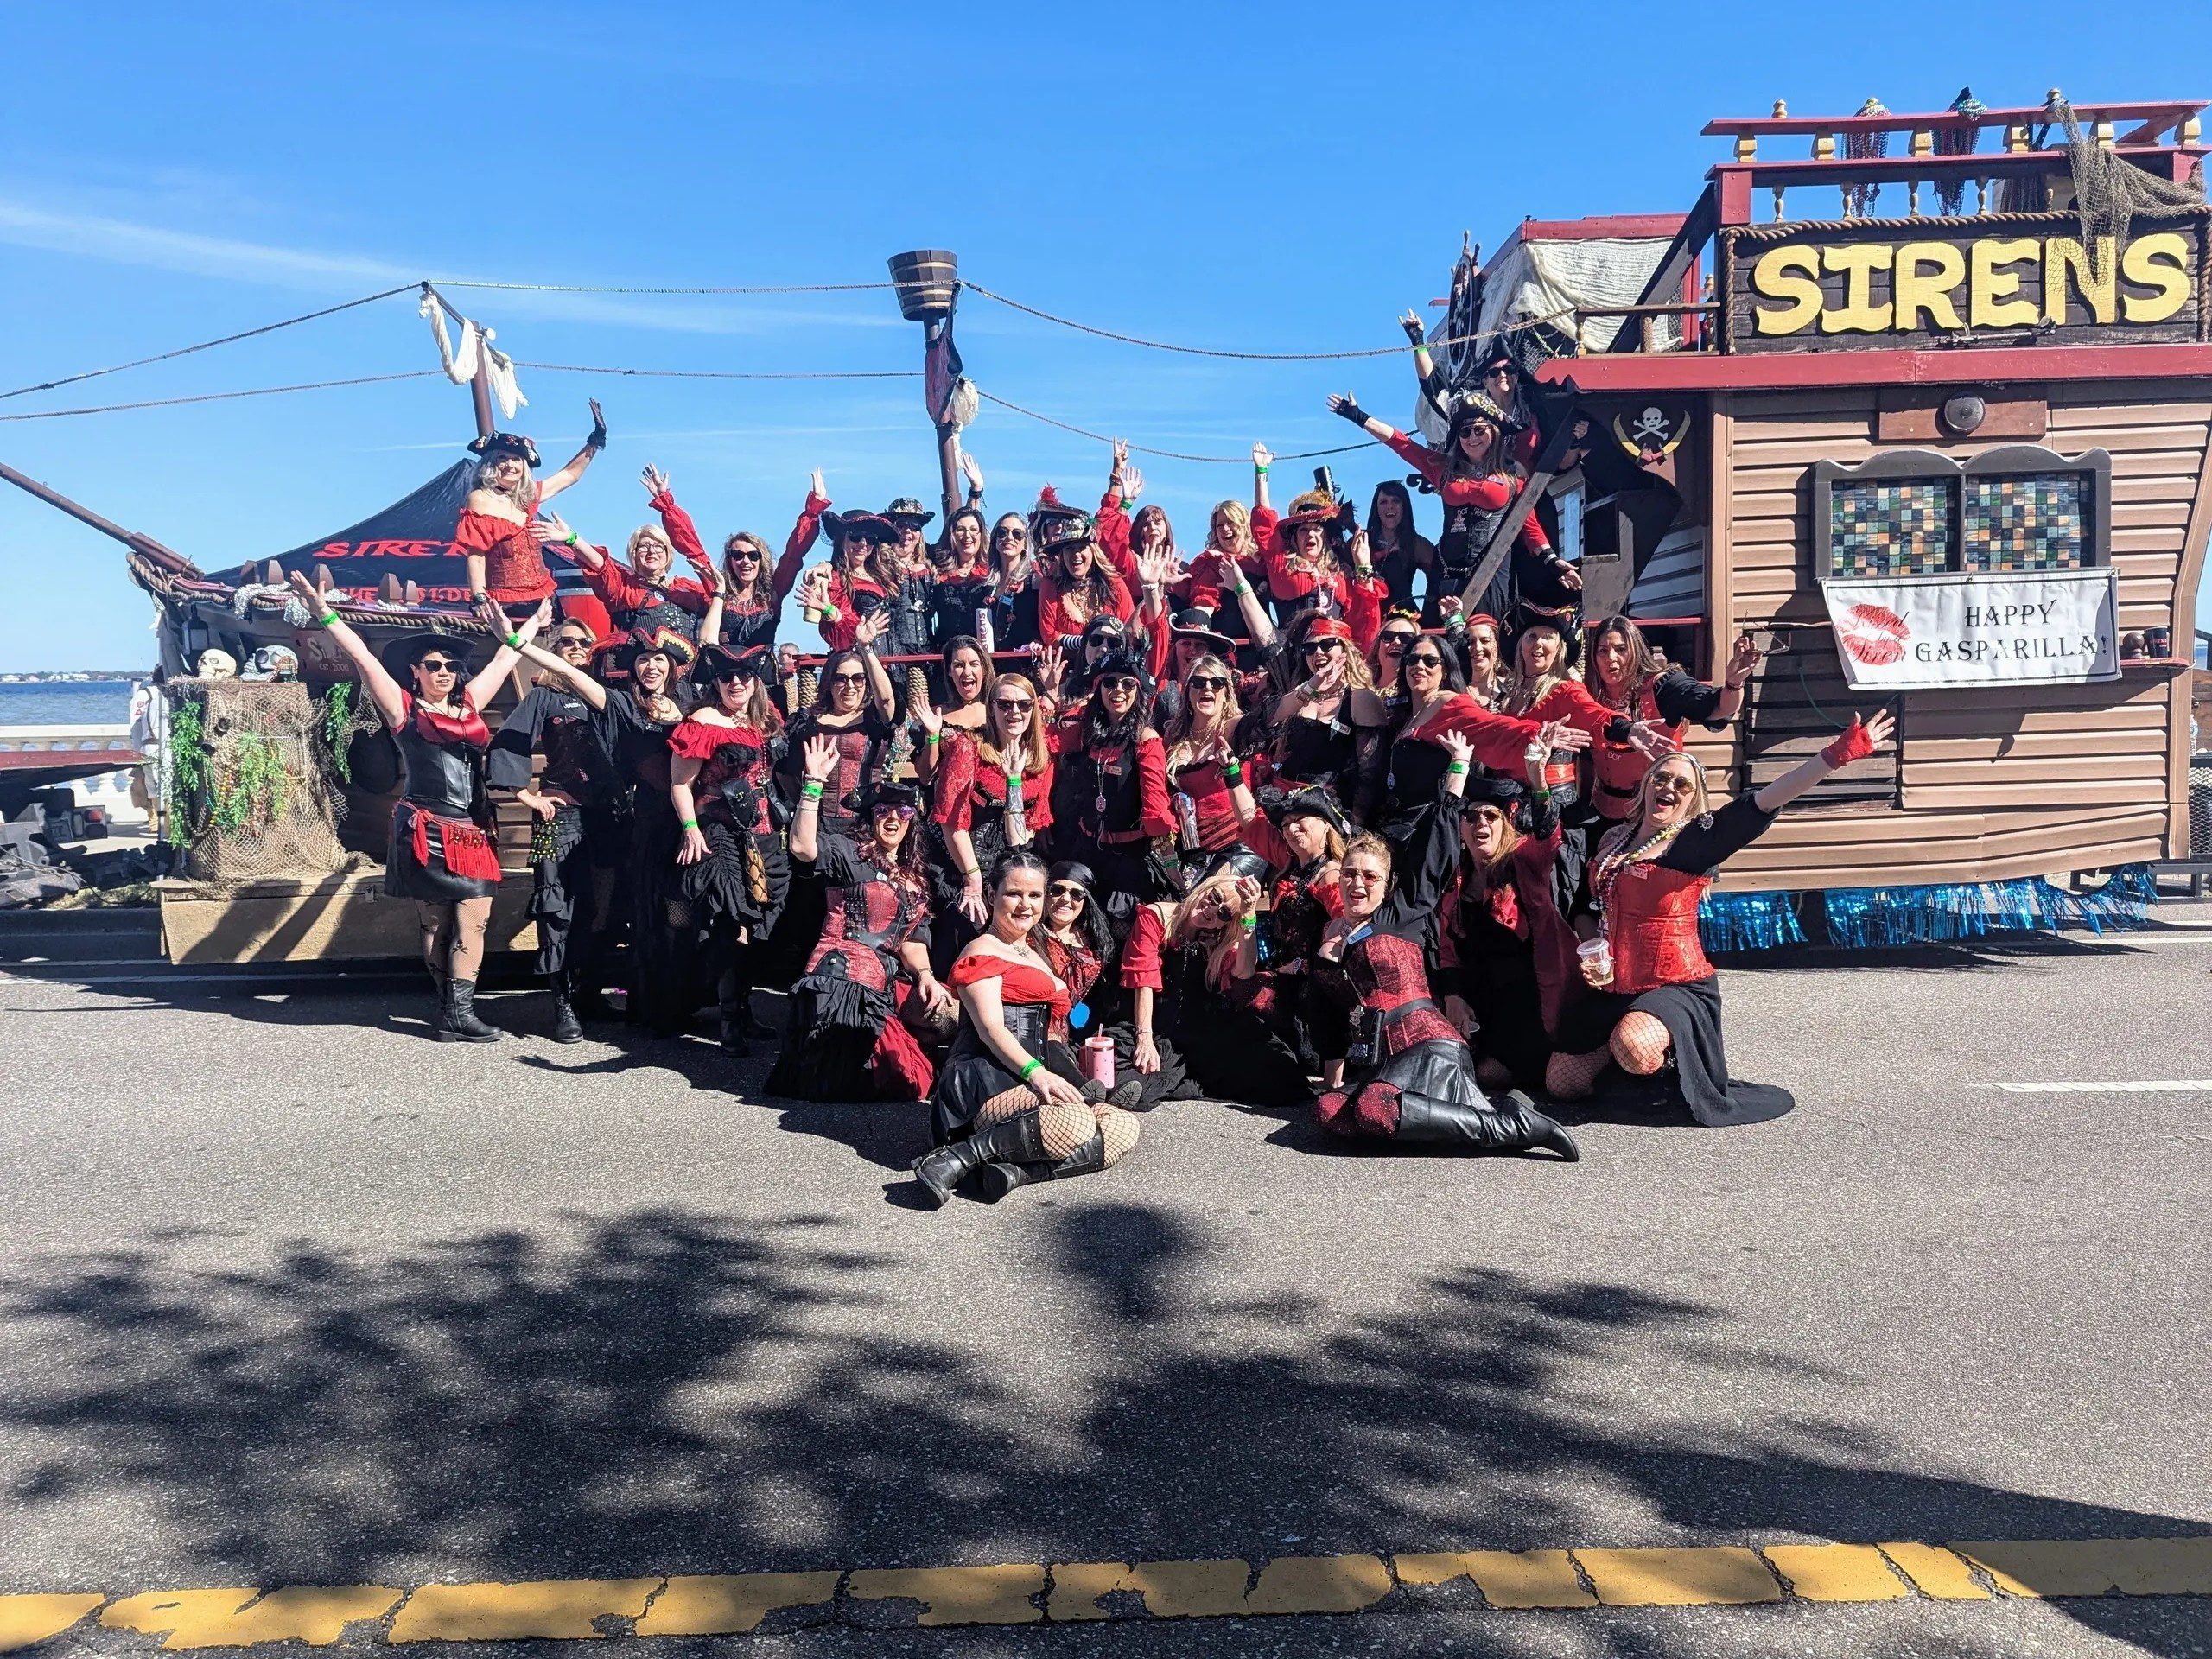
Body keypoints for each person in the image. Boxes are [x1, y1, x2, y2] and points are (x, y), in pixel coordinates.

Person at [1546, 711, 1894, 1126]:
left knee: (1635, 1047)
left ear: (1693, 799)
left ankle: (1668, 1069)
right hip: (1612, 985)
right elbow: (1586, 906)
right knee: (1562, 1085)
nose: (1668, 788)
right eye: (1661, 778)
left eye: (1682, 785)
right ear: (1646, 784)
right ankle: (1625, 1064)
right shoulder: (1613, 839)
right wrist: (1592, 946)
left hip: (1674, 985)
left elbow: (1765, 800)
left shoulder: (1695, 842)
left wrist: (1835, 756)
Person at [288, 571, 545, 1040]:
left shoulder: (470, 704)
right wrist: (323, 612)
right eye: (433, 664)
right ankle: (448, 1008)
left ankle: (460, 1011)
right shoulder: (403, 708)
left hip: (472, 828)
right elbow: (364, 659)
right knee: (436, 923)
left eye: (450, 665)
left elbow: (506, 656)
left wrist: (533, 624)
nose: (443, 671)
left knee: (475, 918)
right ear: (416, 671)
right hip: (426, 829)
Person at [1311, 733, 1580, 1159]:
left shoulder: (1402, 913)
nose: (1358, 883)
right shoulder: (1333, 931)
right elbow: (1331, 1013)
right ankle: (1476, 1120)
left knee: (1375, 1107)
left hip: (1430, 1045)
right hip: (1384, 1058)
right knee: (1329, 1110)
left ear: (1388, 885)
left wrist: (1459, 767)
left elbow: (1436, 842)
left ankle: (1515, 1125)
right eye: (1349, 874)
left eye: (1370, 876)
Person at [915, 851, 1143, 1205]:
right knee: (1076, 1123)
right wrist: (1037, 1073)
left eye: (1035, 895)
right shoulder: (982, 950)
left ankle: (1012, 1174)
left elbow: (1050, 1032)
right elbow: (991, 1029)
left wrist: (1065, 1072)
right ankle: (954, 1158)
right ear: (992, 895)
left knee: (1123, 1128)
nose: (1026, 905)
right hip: (985, 1081)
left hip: (1028, 1076)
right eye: (1014, 894)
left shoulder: (1032, 952)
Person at [769, 737, 948, 1103]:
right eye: (883, 811)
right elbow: (802, 847)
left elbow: (913, 940)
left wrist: (926, 976)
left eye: (903, 812)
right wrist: (813, 785)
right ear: (870, 817)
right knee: (883, 1081)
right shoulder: (849, 852)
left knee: (920, 1067)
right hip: (840, 981)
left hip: (883, 981)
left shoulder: (914, 875)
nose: (893, 818)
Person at [1327, 390, 1579, 626]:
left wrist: (1552, 560)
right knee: (1440, 640)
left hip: (1492, 572)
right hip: (1447, 572)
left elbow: (1529, 524)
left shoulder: (1512, 475)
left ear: (1493, 432)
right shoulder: (1443, 469)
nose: (1472, 438)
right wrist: (1358, 416)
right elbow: (1402, 444)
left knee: (1485, 636)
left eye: (1479, 430)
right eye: (1465, 432)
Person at [486, 615, 622, 1041]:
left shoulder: (608, 695)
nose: (577, 646)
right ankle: (564, 1005)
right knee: (556, 910)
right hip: (558, 817)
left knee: (601, 910)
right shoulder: (544, 697)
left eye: (584, 641)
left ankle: (589, 994)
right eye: (567, 641)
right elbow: (506, 742)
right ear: (554, 650)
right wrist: (527, 796)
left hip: (609, 818)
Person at [669, 645, 791, 1053]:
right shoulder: (703, 722)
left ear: (756, 680)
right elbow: (680, 784)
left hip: (764, 834)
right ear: (716, 682)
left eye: (744, 675)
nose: (736, 682)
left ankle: (744, 1009)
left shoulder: (766, 718)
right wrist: (690, 828)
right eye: (726, 676)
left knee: (756, 926)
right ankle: (728, 1020)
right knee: (730, 923)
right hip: (720, 834)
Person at [1118, 868, 1313, 1108]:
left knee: (1276, 1070)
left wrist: (1248, 915)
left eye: (1224, 913)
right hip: (1152, 1020)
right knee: (1135, 1071)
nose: (1212, 910)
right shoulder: (1157, 915)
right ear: (1206, 887)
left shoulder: (1218, 938)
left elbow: (1244, 971)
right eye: (1214, 897)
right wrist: (1144, 1038)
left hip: (1200, 1025)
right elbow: (1143, 980)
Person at [1440, 754, 1578, 1092]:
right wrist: (1453, 996)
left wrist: (1538, 780)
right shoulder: (1455, 876)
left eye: (1491, 816)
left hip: (1529, 1002)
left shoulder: (1524, 860)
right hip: (1478, 999)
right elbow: (1446, 948)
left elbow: (1548, 837)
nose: (1481, 824)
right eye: (1471, 817)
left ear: (1506, 822)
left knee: (1486, 1075)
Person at [1037, 860, 1190, 1109]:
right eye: (1057, 890)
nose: (1066, 899)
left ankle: (1111, 1090)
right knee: (1056, 1048)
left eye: (1076, 894)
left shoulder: (1095, 940)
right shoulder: (1031, 934)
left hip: (1080, 1028)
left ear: (1085, 901)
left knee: (1153, 1063)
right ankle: (1088, 1092)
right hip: (1041, 1026)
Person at [1585, 616, 1756, 829]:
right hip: (1604, 812)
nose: (1611, 658)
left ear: (1636, 651)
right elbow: (1585, 759)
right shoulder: (1590, 696)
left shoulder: (1663, 687)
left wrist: (1734, 683)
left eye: (1621, 649)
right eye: (1603, 651)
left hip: (1658, 812)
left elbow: (1718, 707)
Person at [929, 671, 1052, 943]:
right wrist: (972, 878)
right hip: (961, 866)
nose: (1015, 712)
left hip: (1008, 876)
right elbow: (951, 821)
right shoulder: (968, 748)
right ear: (992, 708)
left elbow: (1019, 841)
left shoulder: (1040, 758)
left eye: (1024, 704)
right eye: (1005, 704)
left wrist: (1014, 782)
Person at [1048, 645, 1177, 899]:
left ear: (1137, 691)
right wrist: (1050, 696)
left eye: (1128, 684)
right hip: (1085, 850)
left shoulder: (1146, 739)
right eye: (1110, 682)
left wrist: (1171, 863)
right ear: (1099, 688)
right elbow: (1047, 741)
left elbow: (1156, 810)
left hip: (1129, 857)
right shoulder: (1086, 732)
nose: (1118, 690)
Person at [454, 405, 605, 617]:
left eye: (516, 459)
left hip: (544, 599)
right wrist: (479, 596)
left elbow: (569, 475)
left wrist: (595, 441)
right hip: (505, 604)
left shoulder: (528, 497)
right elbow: (476, 556)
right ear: (490, 463)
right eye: (502, 458)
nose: (510, 465)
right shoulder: (480, 498)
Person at [1159, 656, 1259, 883]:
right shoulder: (1174, 736)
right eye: (1198, 682)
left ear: (1227, 692)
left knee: (1210, 895)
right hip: (1193, 853)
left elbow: (1270, 716)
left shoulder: (1234, 728)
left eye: (1216, 683)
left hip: (1239, 845)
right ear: (1187, 692)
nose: (1207, 688)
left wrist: (1308, 689)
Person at [1033, 494, 1135, 650]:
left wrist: (1100, 645)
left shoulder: (1113, 583)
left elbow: (1128, 627)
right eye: (1069, 548)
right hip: (1068, 664)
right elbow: (1049, 636)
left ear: (1093, 551)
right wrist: (1087, 642)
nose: (1076, 554)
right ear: (1062, 554)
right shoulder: (1051, 585)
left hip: (1111, 661)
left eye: (1082, 547)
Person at [1367, 480, 1438, 615]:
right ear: (1376, 508)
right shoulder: (1362, 541)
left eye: (1396, 501)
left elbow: (1439, 581)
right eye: (1383, 502)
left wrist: (1429, 616)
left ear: (1404, 507)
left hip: (1403, 618)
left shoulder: (1418, 544)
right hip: (1366, 617)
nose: (1390, 506)